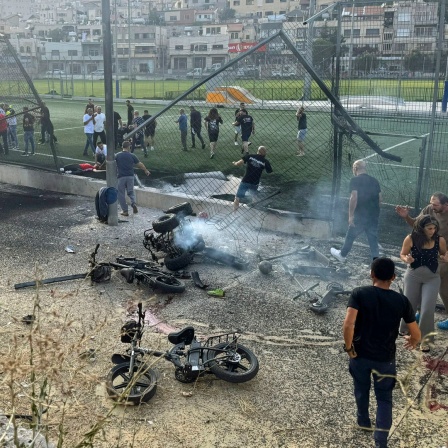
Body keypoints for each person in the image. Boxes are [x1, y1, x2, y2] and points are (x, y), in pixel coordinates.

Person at [343, 257, 420, 448]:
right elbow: (416, 333)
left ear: (371, 274)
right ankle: (381, 442)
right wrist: (413, 340)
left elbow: (348, 324)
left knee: (361, 388)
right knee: (384, 399)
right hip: (385, 359)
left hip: (360, 355)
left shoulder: (359, 293)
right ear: (393, 277)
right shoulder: (401, 301)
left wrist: (348, 348)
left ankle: (363, 421)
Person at [396, 192, 448, 330]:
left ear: (445, 205)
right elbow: (417, 224)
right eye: (431, 202)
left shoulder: (441, 235)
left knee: (443, 289)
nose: (432, 206)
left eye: (435, 204)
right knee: (416, 285)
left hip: (442, 253)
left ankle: (425, 316)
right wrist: (406, 216)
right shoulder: (429, 210)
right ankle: (416, 314)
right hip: (428, 252)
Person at [399, 215, 447, 350]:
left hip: (432, 277)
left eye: (434, 228)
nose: (432, 231)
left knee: (427, 309)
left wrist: (445, 256)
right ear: (421, 228)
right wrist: (406, 259)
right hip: (413, 275)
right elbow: (402, 254)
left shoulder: (439, 239)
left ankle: (425, 339)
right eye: (429, 228)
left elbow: (444, 253)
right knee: (410, 304)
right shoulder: (411, 238)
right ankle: (405, 329)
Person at [331, 159, 381, 263]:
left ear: (355, 168)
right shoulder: (374, 180)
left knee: (351, 234)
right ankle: (376, 262)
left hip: (360, 214)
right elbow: (380, 199)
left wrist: (351, 216)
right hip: (373, 215)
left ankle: (342, 255)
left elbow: (354, 198)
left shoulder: (355, 180)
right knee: (373, 240)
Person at [115, 141, 150, 217]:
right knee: (130, 192)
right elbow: (140, 164)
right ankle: (133, 203)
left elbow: (110, 161)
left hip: (121, 177)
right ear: (129, 147)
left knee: (121, 194)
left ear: (122, 147)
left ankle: (125, 211)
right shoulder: (132, 155)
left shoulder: (117, 155)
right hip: (130, 176)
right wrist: (145, 170)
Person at [232, 146, 273, 211]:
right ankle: (255, 212)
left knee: (237, 198)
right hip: (255, 183)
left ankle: (234, 212)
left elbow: (239, 163)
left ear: (258, 151)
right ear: (265, 153)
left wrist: (235, 163)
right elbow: (269, 171)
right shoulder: (265, 161)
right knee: (254, 197)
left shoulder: (250, 156)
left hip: (245, 181)